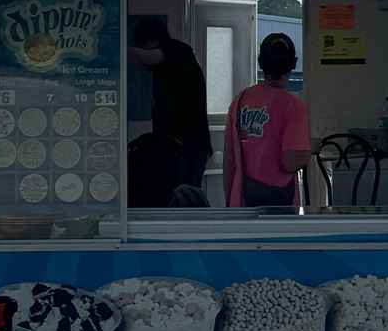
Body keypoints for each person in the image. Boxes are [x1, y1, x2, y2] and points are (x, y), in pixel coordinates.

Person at [224, 32, 311, 210]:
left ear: (260, 62)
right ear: (294, 63)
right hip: (280, 206)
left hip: (242, 202)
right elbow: (291, 162)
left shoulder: (240, 100)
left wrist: (230, 203)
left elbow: (229, 160)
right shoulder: (293, 106)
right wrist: (310, 149)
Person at [128, 16, 212, 192]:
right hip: (179, 143)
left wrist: (112, 48)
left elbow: (142, 57)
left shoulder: (177, 50)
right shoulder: (170, 61)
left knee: (184, 194)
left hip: (188, 143)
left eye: (142, 44)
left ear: (151, 41)